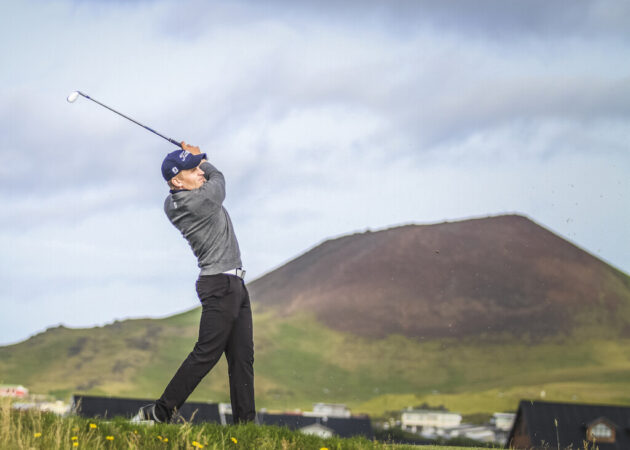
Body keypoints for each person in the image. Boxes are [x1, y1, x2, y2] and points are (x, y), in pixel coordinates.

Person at [133, 142, 255, 424]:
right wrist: (204, 158)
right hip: (220, 285)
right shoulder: (201, 200)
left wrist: (192, 158)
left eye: (198, 168)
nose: (200, 173)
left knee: (242, 358)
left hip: (233, 284)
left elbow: (204, 180)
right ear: (177, 181)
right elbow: (218, 179)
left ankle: (245, 426)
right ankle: (159, 413)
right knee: (206, 353)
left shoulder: (173, 202)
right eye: (193, 170)